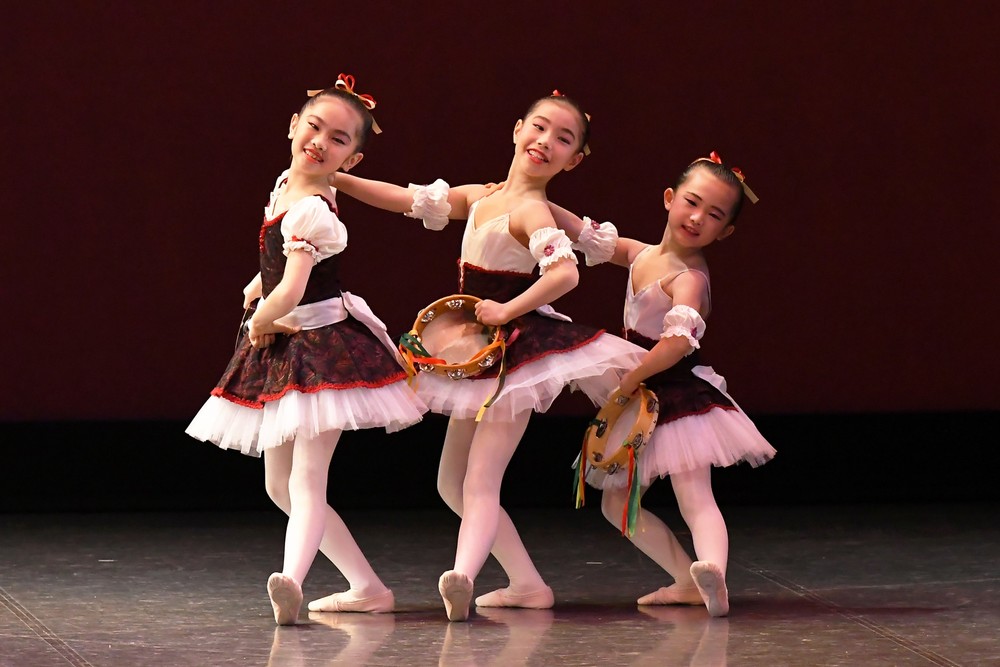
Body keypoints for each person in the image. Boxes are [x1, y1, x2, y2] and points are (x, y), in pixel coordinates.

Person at [331, 92, 645, 621]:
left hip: (517, 356)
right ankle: (527, 584)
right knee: (450, 483)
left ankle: (463, 575)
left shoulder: (532, 210)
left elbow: (565, 274)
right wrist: (337, 179)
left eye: (563, 139)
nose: (545, 141)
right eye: (539, 128)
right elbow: (406, 199)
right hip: (476, 354)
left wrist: (508, 310)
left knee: (479, 480)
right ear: (518, 129)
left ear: (574, 160)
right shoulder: (483, 197)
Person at [186, 76, 432, 625]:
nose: (320, 142)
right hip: (289, 343)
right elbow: (281, 265)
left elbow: (296, 287)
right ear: (294, 125)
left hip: (324, 348)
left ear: (353, 158)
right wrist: (258, 285)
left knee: (306, 478)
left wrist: (261, 319)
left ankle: (291, 582)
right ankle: (367, 586)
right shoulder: (285, 187)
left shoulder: (313, 209)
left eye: (338, 139)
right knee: (279, 484)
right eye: (315, 127)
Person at [550, 152, 776, 617]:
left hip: (677, 395)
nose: (697, 218)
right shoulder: (642, 255)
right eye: (692, 203)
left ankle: (713, 572)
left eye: (714, 215)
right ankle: (686, 579)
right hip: (642, 398)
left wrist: (628, 382)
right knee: (615, 505)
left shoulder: (689, 279)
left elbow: (674, 345)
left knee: (695, 496)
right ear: (670, 198)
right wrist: (533, 200)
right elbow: (584, 234)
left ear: (725, 232)